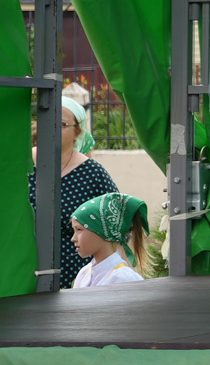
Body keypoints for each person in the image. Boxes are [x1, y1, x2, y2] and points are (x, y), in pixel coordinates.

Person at [27, 95, 121, 288]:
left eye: (61, 124)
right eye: (47, 120)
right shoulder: (22, 164)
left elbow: (118, 221)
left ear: (77, 131)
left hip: (74, 277)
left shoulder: (92, 173)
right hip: (22, 271)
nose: (52, 127)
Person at [68, 191, 148, 288]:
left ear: (101, 231)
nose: (73, 238)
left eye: (79, 230)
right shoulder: (84, 273)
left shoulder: (123, 278)